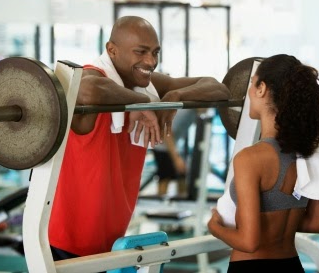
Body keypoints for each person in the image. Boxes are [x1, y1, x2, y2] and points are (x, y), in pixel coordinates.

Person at [48, 16, 231, 260]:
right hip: (67, 242)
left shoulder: (148, 84)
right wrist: (142, 103)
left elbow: (218, 88)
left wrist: (174, 96)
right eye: (141, 52)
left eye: (155, 52)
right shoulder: (92, 78)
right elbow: (86, 89)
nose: (151, 61)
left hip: (113, 242)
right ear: (111, 50)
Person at [207, 54, 319, 273]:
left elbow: (248, 242)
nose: (248, 91)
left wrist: (214, 226)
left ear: (262, 88)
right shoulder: (309, 151)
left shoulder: (250, 159)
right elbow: (318, 223)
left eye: (252, 83)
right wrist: (279, 222)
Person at [151, 108, 197, 196]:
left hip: (173, 145)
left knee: (182, 175)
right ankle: (161, 205)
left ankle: (182, 202)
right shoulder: (185, 112)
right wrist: (176, 158)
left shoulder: (194, 112)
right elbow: (166, 133)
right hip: (162, 146)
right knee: (165, 177)